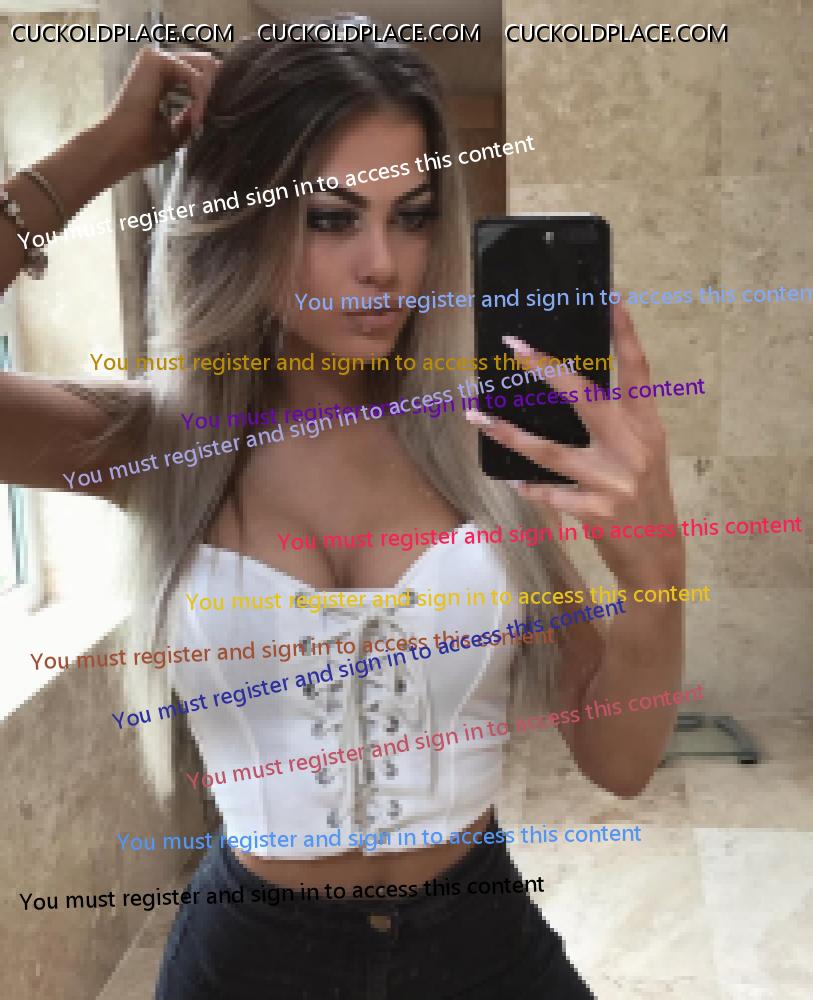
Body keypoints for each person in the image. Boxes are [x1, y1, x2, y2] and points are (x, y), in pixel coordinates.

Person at [0, 19, 685, 999]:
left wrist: (655, 571)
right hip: (248, 964)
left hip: (481, 949)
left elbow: (618, 757)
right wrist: (102, 151)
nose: (384, 264)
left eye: (412, 216)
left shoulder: (483, 443)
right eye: (332, 218)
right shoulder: (156, 443)